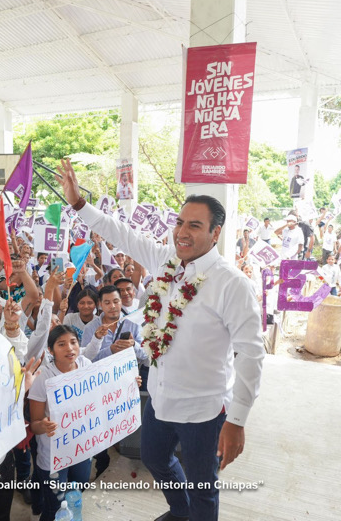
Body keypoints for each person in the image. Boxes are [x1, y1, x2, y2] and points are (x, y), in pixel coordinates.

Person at [56, 159, 263, 521]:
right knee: (153, 458)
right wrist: (78, 205)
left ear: (215, 233)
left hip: (203, 408)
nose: (182, 232)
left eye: (194, 226)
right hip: (161, 397)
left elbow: (251, 354)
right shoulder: (167, 261)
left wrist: (238, 419)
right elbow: (122, 234)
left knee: (203, 486)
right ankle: (178, 511)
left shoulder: (231, 283)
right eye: (180, 222)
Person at [29, 325, 93, 521]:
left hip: (82, 449)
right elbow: (35, 424)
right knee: (55, 507)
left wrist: (131, 383)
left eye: (73, 342)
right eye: (61, 344)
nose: (70, 349)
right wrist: (44, 426)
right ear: (51, 350)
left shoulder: (86, 365)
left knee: (75, 497)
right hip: (53, 456)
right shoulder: (44, 377)